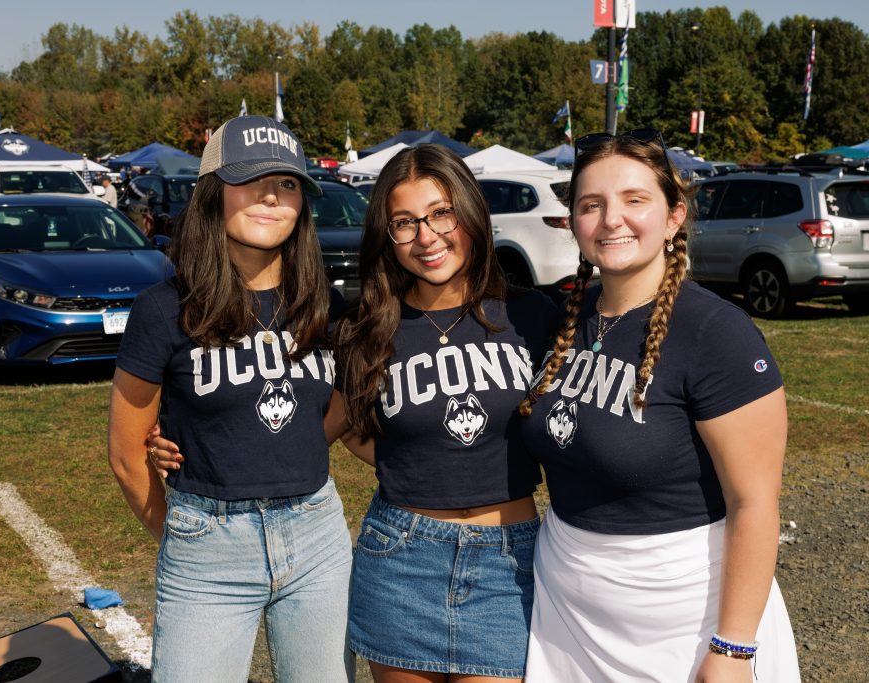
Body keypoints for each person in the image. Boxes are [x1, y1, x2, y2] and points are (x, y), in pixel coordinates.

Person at [517, 129, 800, 682]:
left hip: (682, 621)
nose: (611, 219)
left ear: (674, 216)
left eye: (634, 200)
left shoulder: (717, 333)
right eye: (590, 205)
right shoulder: (564, 320)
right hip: (567, 616)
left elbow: (755, 504)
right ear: (573, 221)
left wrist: (734, 648)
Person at [108, 114, 355, 683]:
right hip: (206, 549)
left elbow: (332, 413)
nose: (272, 195)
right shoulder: (163, 310)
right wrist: (183, 537)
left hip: (317, 537)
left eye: (289, 183)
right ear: (213, 193)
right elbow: (126, 453)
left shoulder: (326, 308)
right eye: (252, 179)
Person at [333, 144, 558, 682]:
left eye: (441, 214)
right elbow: (350, 428)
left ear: (470, 214)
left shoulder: (531, 315)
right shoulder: (366, 329)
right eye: (404, 223)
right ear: (387, 237)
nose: (426, 237)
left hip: (510, 561)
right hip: (400, 559)